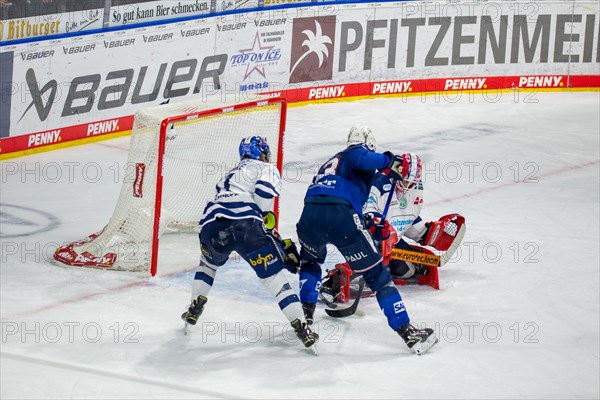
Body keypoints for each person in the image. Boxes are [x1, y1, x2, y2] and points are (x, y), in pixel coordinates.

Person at [296, 126, 438, 355]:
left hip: (309, 216)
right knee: (379, 277)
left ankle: (305, 321)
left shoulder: (331, 164)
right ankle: (408, 332)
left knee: (310, 263)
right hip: (340, 214)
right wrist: (389, 161)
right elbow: (357, 155)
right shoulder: (354, 154)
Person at [181, 136, 318, 350]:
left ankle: (194, 307)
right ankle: (302, 328)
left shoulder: (231, 174)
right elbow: (263, 200)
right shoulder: (265, 168)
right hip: (246, 227)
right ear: (262, 153)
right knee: (274, 278)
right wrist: (278, 242)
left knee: (207, 266)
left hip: (212, 226)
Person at [363, 158, 466, 285]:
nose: (406, 186)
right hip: (369, 235)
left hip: (391, 240)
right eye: (405, 181)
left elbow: (406, 216)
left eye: (410, 183)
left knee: (407, 271)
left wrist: (423, 233)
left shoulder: (417, 188)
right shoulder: (380, 182)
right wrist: (378, 227)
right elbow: (367, 210)